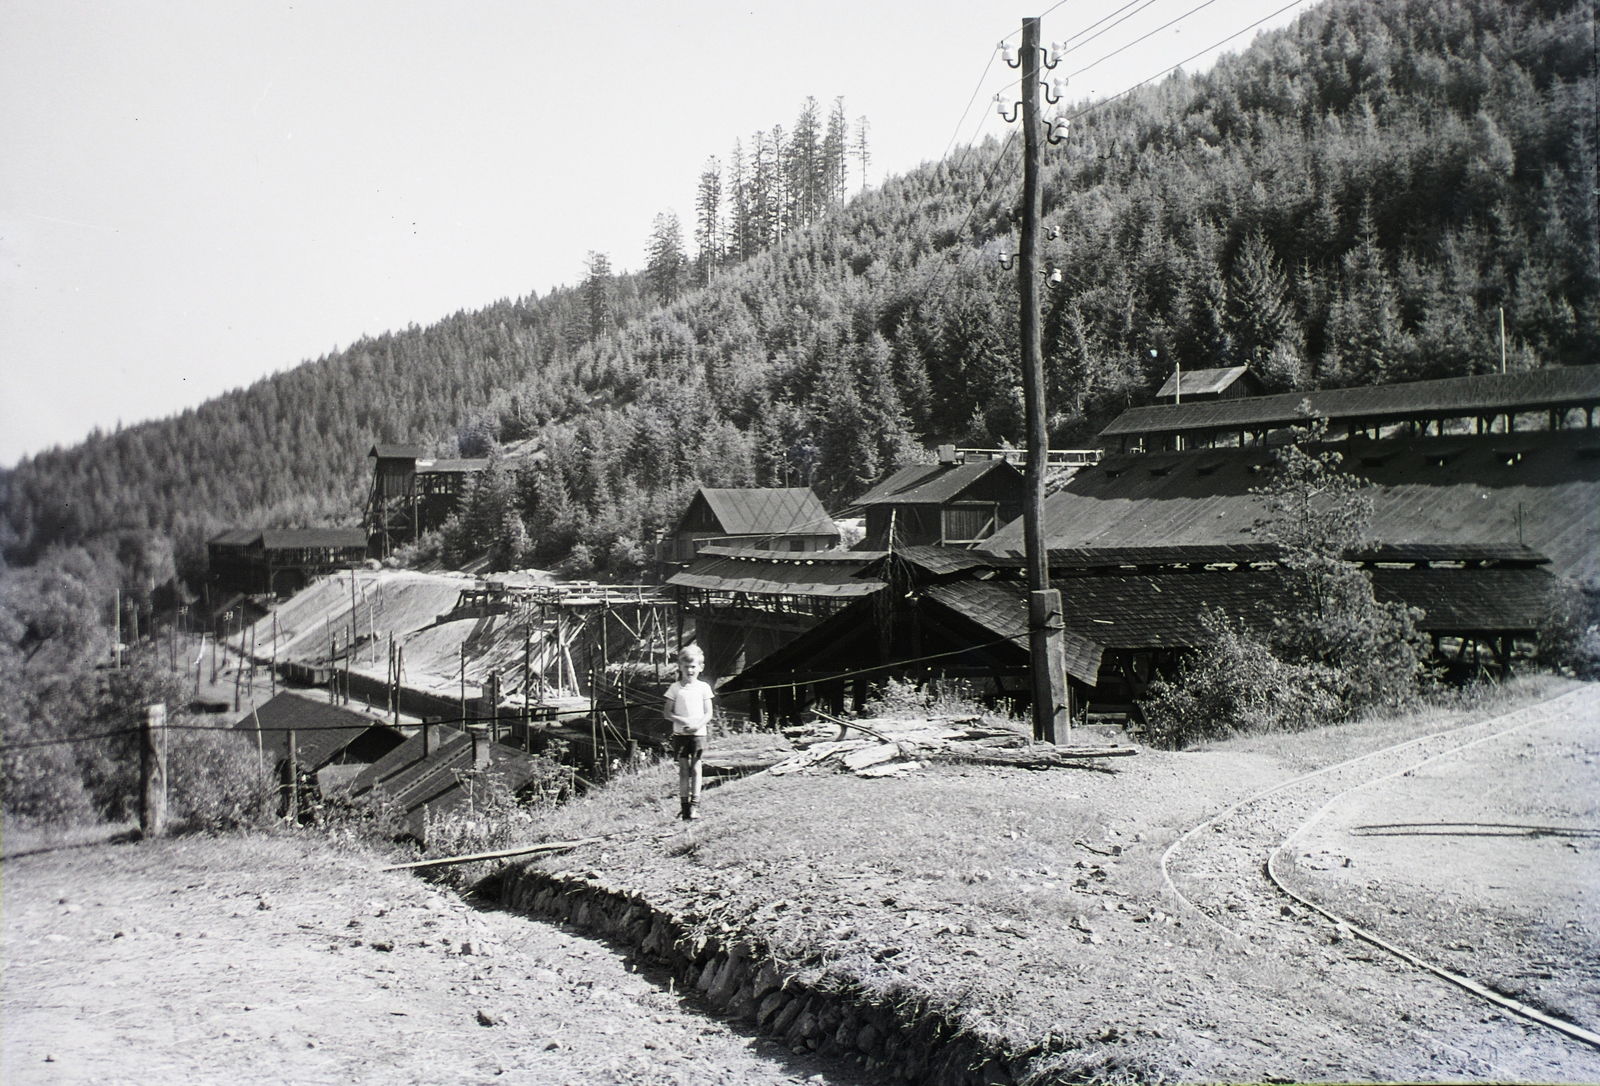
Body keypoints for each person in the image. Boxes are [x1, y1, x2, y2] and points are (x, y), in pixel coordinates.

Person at [664, 644, 714, 820]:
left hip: (698, 734)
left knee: (696, 767)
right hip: (680, 735)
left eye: (693, 666)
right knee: (683, 770)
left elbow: (709, 713)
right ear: (680, 667)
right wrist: (683, 721)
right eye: (686, 667)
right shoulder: (675, 688)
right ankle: (684, 807)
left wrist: (697, 725)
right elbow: (667, 713)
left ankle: (695, 805)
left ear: (700, 667)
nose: (690, 670)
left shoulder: (704, 688)